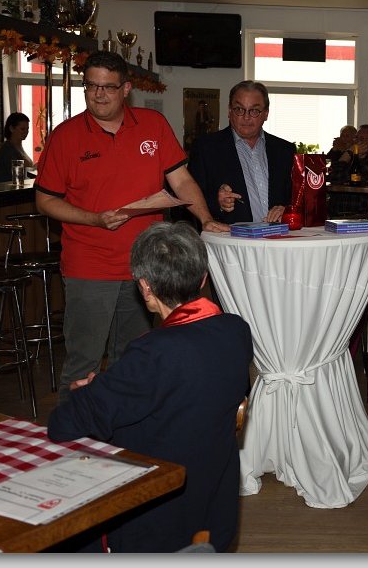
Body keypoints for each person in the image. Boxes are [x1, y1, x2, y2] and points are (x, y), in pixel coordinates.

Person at [47, 221, 252, 552]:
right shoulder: (236, 331)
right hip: (214, 508)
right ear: (203, 278)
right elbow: (186, 389)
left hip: (154, 517)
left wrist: (94, 391)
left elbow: (64, 424)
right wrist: (112, 386)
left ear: (144, 287)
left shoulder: (152, 353)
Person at [35, 50, 227, 401]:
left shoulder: (153, 125)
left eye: (108, 87)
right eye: (91, 86)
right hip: (90, 266)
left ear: (126, 89)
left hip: (144, 267)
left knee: (133, 361)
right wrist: (94, 218)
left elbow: (182, 181)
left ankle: (123, 431)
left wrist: (206, 219)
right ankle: (72, 433)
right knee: (83, 364)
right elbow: (45, 200)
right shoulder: (66, 136)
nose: (99, 94)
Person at [188, 80, 295, 224]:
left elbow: (299, 201)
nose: (246, 117)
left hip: (279, 236)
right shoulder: (205, 148)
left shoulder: (285, 151)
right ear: (229, 111)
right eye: (239, 109)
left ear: (266, 114)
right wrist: (217, 202)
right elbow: (185, 202)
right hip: (230, 236)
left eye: (254, 110)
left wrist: (288, 211)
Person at [0, 111, 34, 181]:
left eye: (27, 129)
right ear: (11, 128)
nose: (26, 132)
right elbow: (17, 174)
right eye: (22, 129)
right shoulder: (8, 149)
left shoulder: (17, 147)